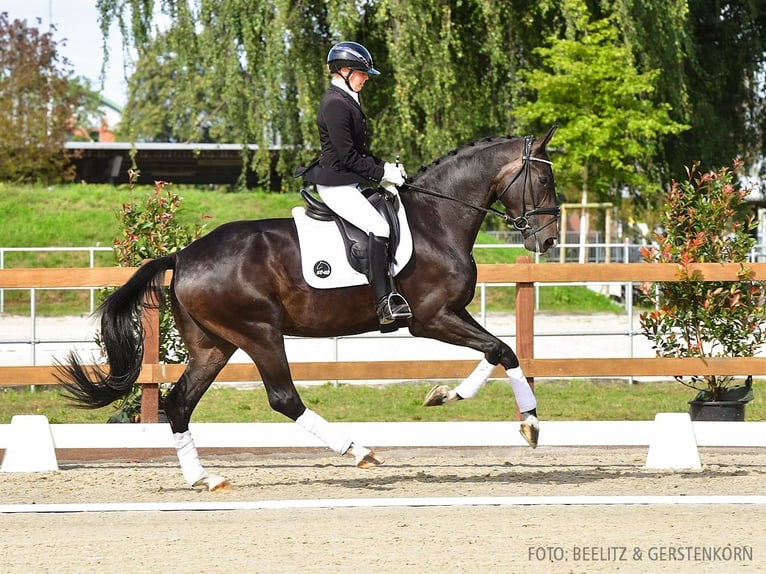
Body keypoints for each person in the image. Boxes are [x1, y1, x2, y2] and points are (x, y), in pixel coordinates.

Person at [301, 41, 412, 326]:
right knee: (380, 227)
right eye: (362, 73)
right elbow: (348, 156)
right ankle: (384, 301)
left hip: (348, 181)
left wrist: (385, 166)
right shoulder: (335, 104)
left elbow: (359, 151)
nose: (365, 79)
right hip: (335, 185)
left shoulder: (347, 99)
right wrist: (381, 174)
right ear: (346, 71)